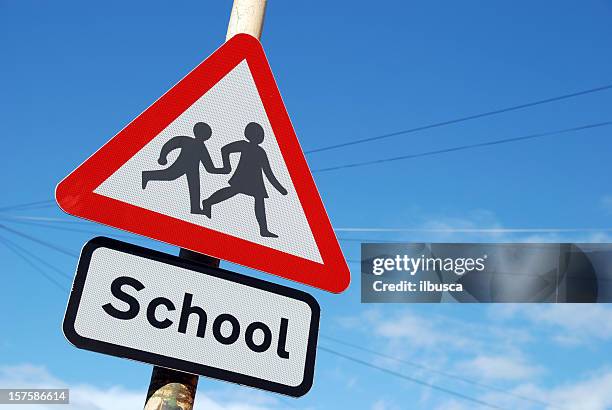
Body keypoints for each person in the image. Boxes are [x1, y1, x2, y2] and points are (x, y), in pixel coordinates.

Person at [202, 122, 288, 238]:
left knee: (259, 200)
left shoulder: (261, 151)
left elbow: (268, 172)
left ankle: (263, 230)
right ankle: (208, 202)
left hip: (256, 180)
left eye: (261, 134)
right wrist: (227, 166)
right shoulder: (244, 145)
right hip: (243, 176)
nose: (260, 137)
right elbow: (225, 149)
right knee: (231, 191)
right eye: (257, 134)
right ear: (249, 135)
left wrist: (280, 188)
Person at [142, 122, 229, 214]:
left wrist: (223, 170)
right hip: (181, 166)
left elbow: (209, 168)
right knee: (170, 175)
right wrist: (162, 157)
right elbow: (171, 144)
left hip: (193, 170)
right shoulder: (188, 141)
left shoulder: (200, 146)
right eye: (207, 133)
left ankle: (195, 208)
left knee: (194, 187)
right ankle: (146, 175)